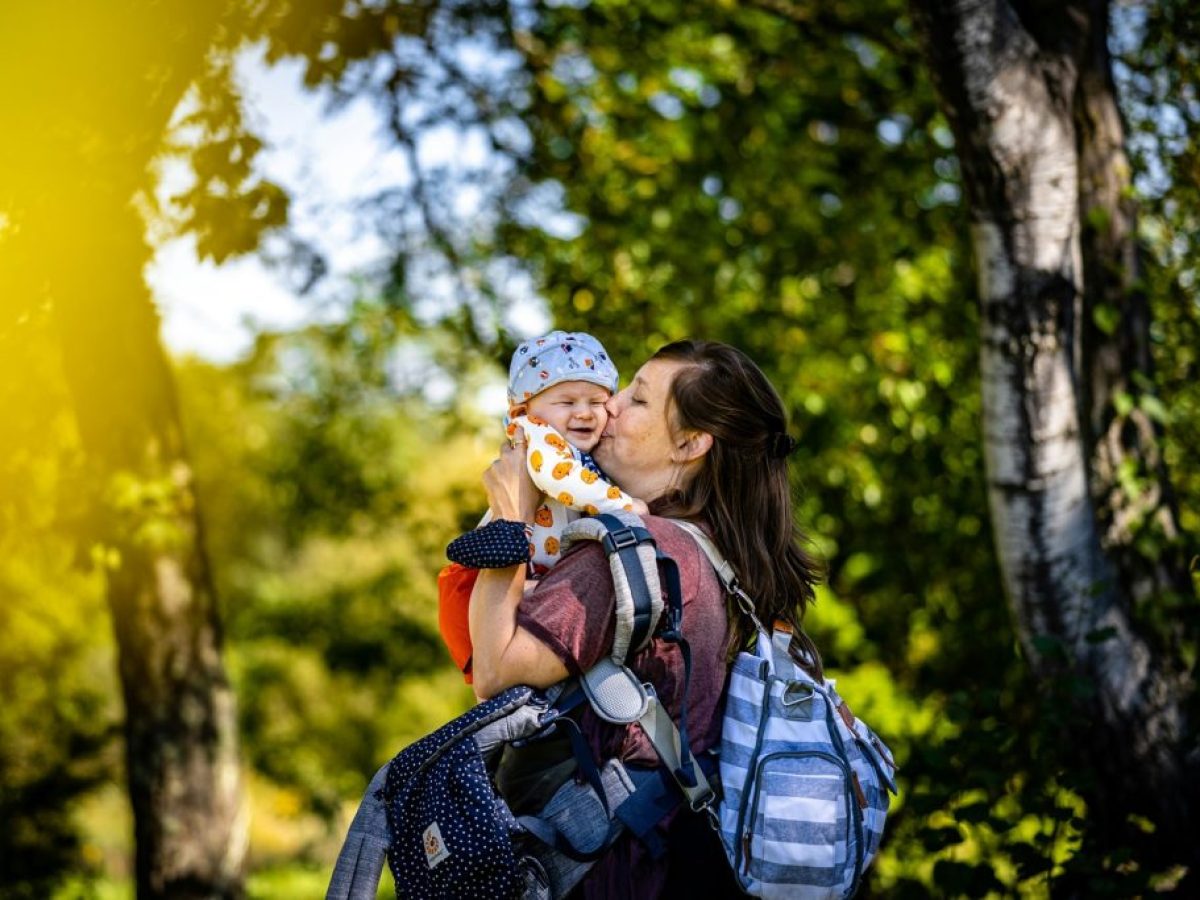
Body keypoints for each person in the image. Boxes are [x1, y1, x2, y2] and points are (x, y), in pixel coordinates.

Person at [468, 339, 823, 899]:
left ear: (689, 443)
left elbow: (494, 671)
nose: (607, 409)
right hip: (688, 862)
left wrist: (509, 520)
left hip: (615, 871)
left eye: (635, 399)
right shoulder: (731, 563)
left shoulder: (630, 554)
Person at [439, 330, 644, 683]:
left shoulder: (576, 448)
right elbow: (559, 478)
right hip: (487, 580)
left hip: (530, 574)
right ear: (524, 409)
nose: (584, 413)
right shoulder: (537, 436)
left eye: (596, 402)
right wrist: (625, 506)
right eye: (567, 402)